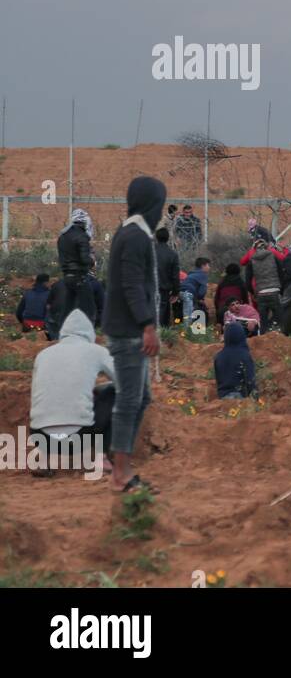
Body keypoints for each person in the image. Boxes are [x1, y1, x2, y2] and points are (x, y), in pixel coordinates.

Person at [103, 175, 166, 493]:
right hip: (129, 332)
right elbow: (131, 284)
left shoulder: (134, 234)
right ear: (151, 205)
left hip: (130, 330)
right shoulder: (134, 237)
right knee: (129, 401)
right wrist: (147, 325)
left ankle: (121, 467)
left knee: (140, 398)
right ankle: (120, 475)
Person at [28, 310, 115, 477]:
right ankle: (101, 458)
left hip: (40, 437)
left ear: (63, 333)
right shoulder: (96, 351)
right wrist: (101, 389)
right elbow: (124, 382)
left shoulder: (43, 355)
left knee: (44, 399)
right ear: (89, 333)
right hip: (79, 439)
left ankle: (44, 462)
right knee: (114, 393)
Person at [54, 207, 97, 332]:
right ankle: (88, 334)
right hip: (80, 276)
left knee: (68, 307)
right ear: (84, 222)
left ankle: (61, 333)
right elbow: (84, 259)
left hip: (67, 276)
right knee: (88, 308)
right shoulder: (82, 236)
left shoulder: (63, 236)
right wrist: (92, 261)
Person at [245, 239, 286, 332]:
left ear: (255, 249)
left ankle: (264, 340)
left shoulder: (252, 261)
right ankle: (281, 339)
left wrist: (253, 293)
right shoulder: (273, 257)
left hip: (261, 293)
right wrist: (281, 290)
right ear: (267, 247)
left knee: (263, 322)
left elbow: (247, 281)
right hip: (275, 292)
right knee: (280, 320)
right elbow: (281, 274)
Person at [213, 322, 257, 400]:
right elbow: (250, 380)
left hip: (223, 398)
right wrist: (255, 397)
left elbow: (218, 380)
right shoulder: (244, 355)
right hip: (240, 398)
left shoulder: (218, 356)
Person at [154, 227, 181, 329]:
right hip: (164, 289)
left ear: (156, 238)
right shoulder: (172, 254)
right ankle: (162, 334)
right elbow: (175, 276)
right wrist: (175, 292)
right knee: (163, 311)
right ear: (168, 238)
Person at [178, 257, 211, 329]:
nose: (209, 267)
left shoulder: (192, 274)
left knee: (184, 312)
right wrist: (200, 299)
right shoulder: (203, 275)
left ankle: (179, 328)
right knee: (188, 315)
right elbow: (202, 292)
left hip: (179, 292)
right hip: (188, 294)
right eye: (208, 265)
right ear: (203, 266)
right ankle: (187, 333)